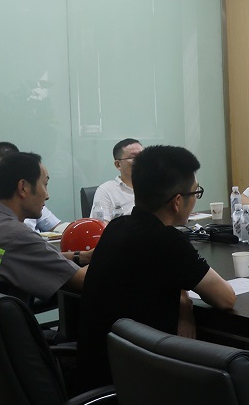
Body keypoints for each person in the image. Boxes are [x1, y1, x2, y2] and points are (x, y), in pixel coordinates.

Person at [77, 145, 236, 392]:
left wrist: (183, 300)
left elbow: (152, 277)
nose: (196, 198)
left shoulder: (116, 228)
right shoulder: (167, 241)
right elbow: (225, 298)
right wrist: (184, 301)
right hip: (141, 386)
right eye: (196, 192)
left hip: (100, 373)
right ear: (177, 202)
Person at [0, 152, 85, 305]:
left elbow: (29, 257)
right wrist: (107, 255)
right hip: (8, 319)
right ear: (23, 187)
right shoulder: (17, 235)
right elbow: (83, 280)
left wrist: (80, 256)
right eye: (45, 185)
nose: (47, 195)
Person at [92, 138, 143, 218]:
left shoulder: (154, 186)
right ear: (118, 164)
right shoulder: (106, 191)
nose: (141, 161)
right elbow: (101, 224)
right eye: (133, 157)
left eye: (142, 156)